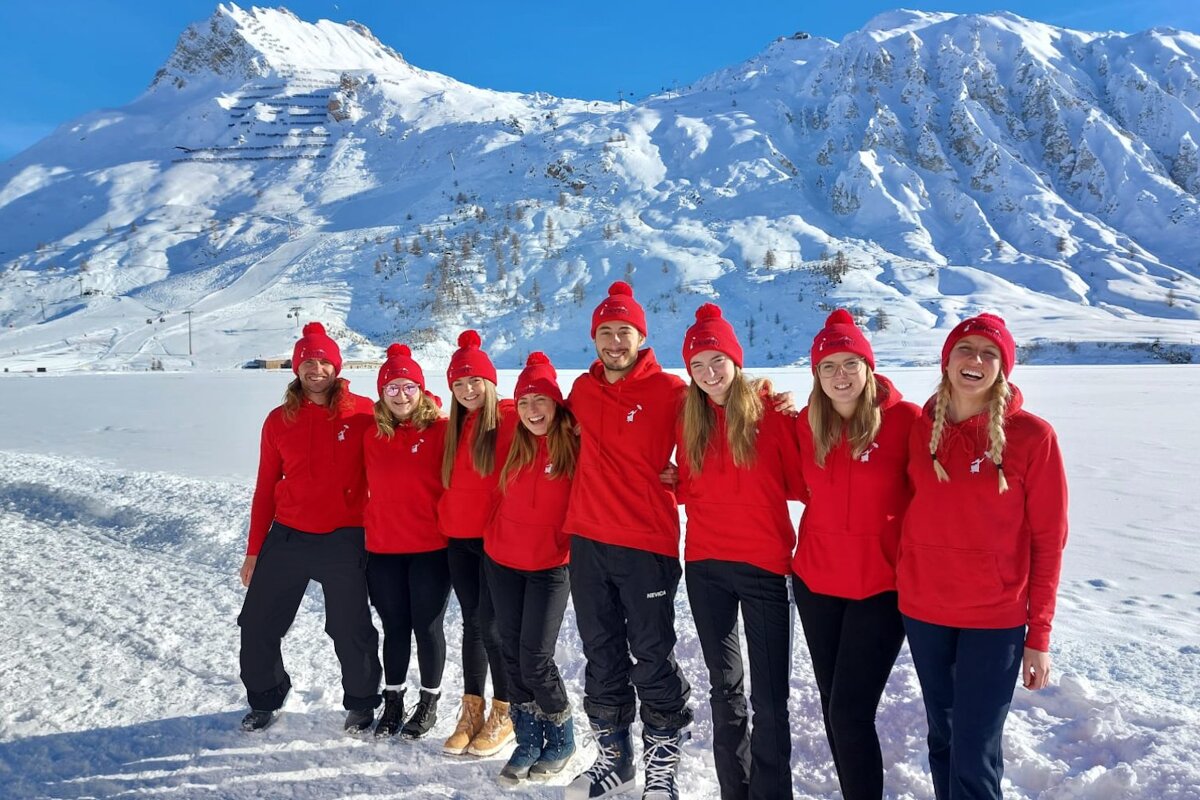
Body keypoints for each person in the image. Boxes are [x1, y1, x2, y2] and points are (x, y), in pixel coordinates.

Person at [898, 314, 1068, 800]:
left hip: (995, 618)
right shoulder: (918, 428)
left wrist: (1039, 635)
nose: (975, 361)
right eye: (965, 350)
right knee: (943, 738)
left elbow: (1048, 540)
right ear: (946, 360)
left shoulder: (1033, 437)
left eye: (988, 353)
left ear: (1004, 367)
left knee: (975, 749)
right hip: (924, 610)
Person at [564, 281, 694, 800]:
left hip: (647, 544)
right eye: (605, 332)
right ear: (594, 338)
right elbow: (538, 420)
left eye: (625, 332)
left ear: (642, 336)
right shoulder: (581, 390)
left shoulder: (673, 392)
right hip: (588, 542)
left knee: (652, 653)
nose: (615, 341)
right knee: (600, 652)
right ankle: (614, 761)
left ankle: (662, 757)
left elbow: (711, 450)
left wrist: (679, 481)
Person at [676, 304, 804, 800]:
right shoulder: (690, 420)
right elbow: (690, 486)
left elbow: (800, 482)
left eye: (717, 361)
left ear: (735, 359)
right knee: (724, 690)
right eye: (697, 365)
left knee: (771, 698)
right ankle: (737, 789)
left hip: (766, 568)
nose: (709, 374)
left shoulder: (773, 413)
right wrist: (670, 482)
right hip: (705, 567)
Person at [791, 309, 921, 800]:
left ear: (869, 368)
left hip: (880, 589)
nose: (839, 375)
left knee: (850, 710)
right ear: (816, 375)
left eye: (850, 364)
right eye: (828, 366)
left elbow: (941, 490)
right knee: (833, 708)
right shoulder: (807, 424)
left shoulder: (906, 422)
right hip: (816, 583)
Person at [237, 322, 382, 733]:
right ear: (296, 368)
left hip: (345, 537)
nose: (316, 368)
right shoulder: (279, 420)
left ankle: (361, 701)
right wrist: (253, 550)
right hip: (288, 536)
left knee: (350, 627)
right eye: (307, 361)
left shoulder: (364, 412)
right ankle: (266, 697)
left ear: (336, 367)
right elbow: (266, 487)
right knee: (257, 623)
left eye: (323, 361)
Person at [485, 352, 579, 785]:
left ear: (557, 404)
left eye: (540, 400)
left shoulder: (575, 443)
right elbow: (473, 402)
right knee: (509, 648)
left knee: (535, 656)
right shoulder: (512, 438)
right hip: (502, 560)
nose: (531, 410)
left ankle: (561, 736)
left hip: (549, 565)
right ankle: (527, 738)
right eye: (523, 402)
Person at [362, 343, 452, 739]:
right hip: (382, 550)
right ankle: (394, 699)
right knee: (394, 626)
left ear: (421, 389)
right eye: (392, 388)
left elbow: (488, 426)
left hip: (431, 548)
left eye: (409, 386)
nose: (401, 395)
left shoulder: (441, 430)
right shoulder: (370, 434)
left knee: (427, 628)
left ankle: (429, 702)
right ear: (382, 393)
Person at [438, 329, 517, 756]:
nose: (468, 389)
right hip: (459, 539)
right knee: (471, 624)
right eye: (459, 383)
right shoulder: (453, 426)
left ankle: (505, 712)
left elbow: (550, 413)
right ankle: (473, 708)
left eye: (475, 381)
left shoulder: (507, 417)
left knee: (492, 625)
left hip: (495, 541)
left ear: (490, 382)